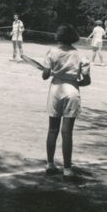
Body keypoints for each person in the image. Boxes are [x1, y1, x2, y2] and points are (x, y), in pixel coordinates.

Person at [41, 24, 91, 182]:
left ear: (59, 36)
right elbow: (87, 81)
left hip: (56, 90)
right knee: (67, 133)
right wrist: (75, 83)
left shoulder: (52, 52)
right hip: (72, 91)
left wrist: (50, 72)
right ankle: (67, 169)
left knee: (52, 130)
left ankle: (50, 165)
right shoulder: (80, 55)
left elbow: (45, 75)